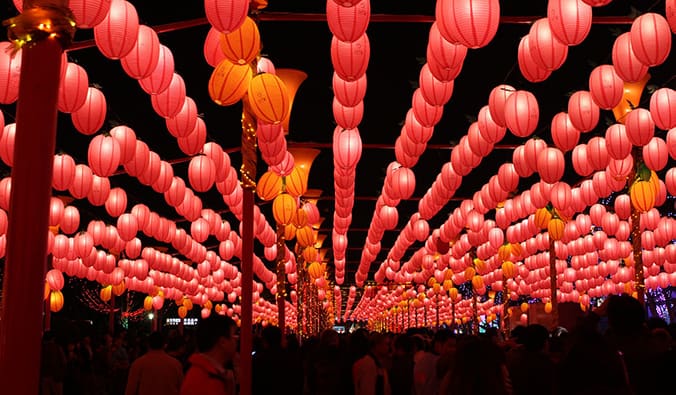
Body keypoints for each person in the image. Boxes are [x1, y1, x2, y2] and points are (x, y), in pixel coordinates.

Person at [180, 315, 238, 395]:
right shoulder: (204, 380)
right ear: (222, 342)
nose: (236, 340)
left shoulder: (212, 373)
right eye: (234, 336)